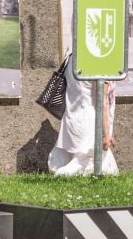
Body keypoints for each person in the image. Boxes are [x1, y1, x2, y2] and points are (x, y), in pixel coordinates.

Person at [47, 47, 118, 176]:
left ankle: (61, 173)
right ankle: (62, 175)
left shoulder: (71, 57)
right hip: (90, 119)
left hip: (72, 117)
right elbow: (102, 102)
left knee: (72, 157)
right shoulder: (99, 62)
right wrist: (106, 134)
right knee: (85, 164)